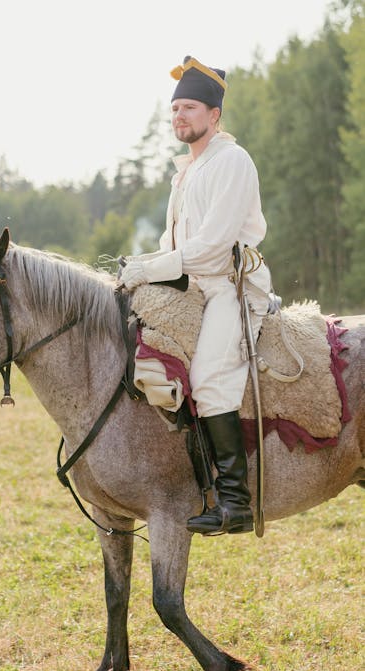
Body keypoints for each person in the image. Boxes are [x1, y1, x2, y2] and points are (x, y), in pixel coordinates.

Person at [118, 56, 273, 536]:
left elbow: (208, 250)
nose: (179, 117)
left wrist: (149, 267)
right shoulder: (183, 173)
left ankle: (235, 502)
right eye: (174, 110)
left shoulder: (232, 161)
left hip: (230, 287)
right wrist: (141, 268)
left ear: (214, 115)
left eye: (189, 108)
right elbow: (174, 246)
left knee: (205, 378)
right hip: (192, 289)